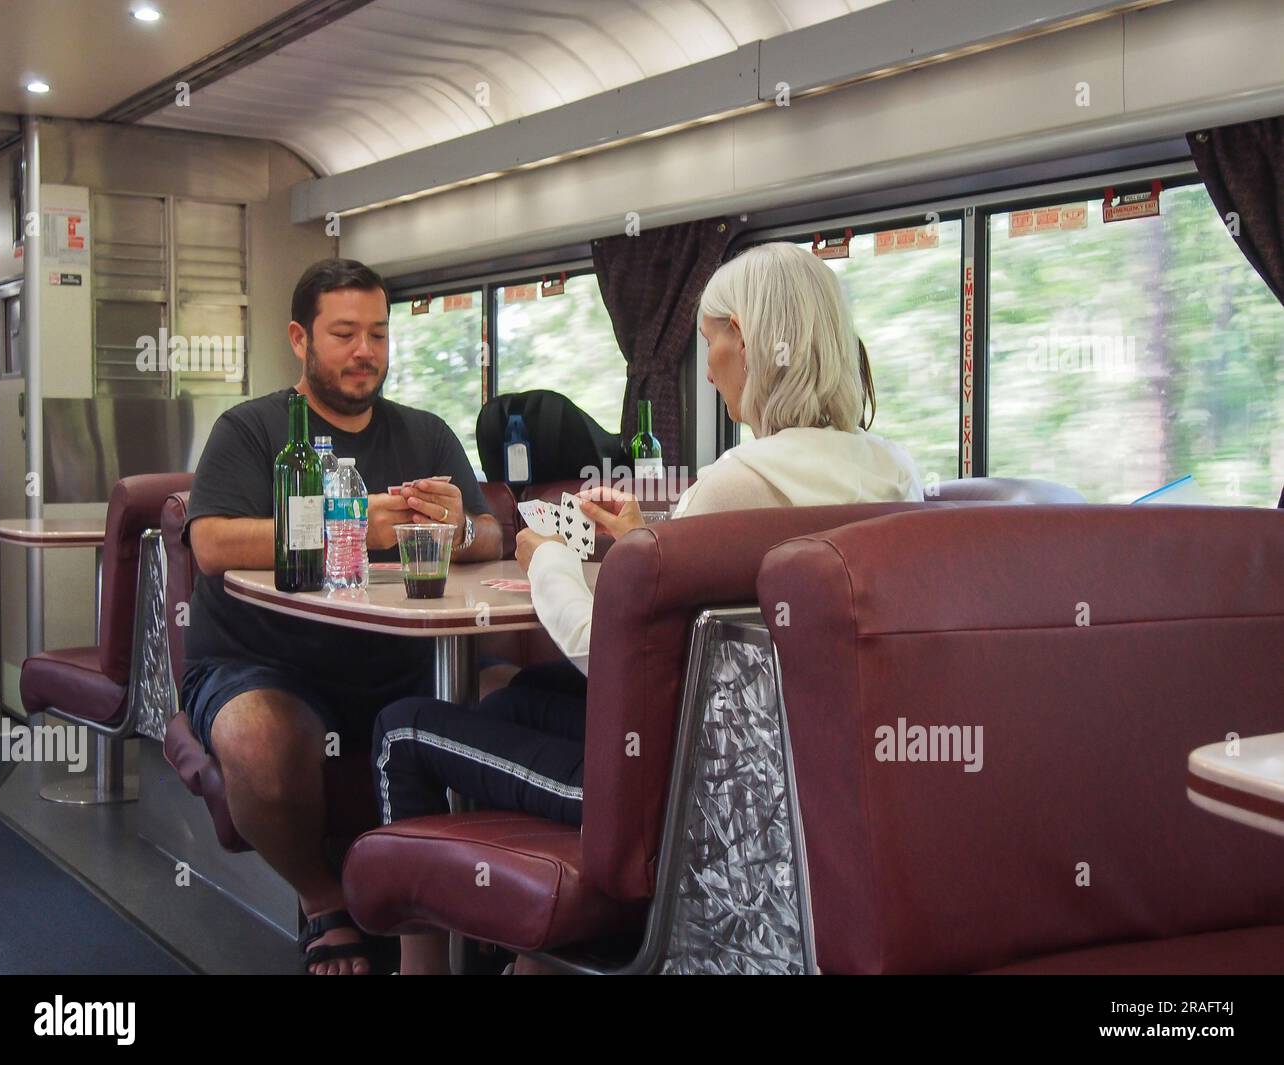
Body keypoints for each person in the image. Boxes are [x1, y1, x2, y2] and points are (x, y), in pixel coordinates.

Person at [370, 241, 922, 973]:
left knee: (397, 729)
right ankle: (523, 957)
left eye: (714, 339)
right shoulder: (895, 474)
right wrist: (640, 547)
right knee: (521, 695)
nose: (713, 362)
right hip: (796, 783)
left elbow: (608, 652)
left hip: (675, 793)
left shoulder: (739, 481)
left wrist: (549, 559)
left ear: (751, 341)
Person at [182, 258, 502, 975]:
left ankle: (472, 895)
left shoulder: (424, 433)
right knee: (261, 737)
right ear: (300, 338)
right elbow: (211, 543)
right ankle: (325, 899)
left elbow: (491, 537)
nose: (366, 352)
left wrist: (456, 528)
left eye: (380, 334)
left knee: (521, 700)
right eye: (345, 333)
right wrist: (354, 523)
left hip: (398, 664)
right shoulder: (252, 430)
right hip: (262, 662)